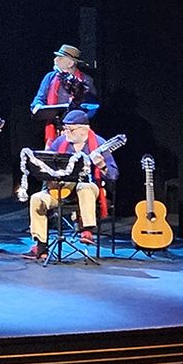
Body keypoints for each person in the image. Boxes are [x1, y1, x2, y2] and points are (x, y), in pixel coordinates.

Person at [27, 108, 118, 259]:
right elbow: (47, 166)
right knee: (37, 199)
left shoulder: (99, 144)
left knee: (84, 186)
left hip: (90, 189)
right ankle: (41, 246)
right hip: (62, 190)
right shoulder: (61, 142)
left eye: (70, 129)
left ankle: (87, 230)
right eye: (65, 128)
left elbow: (113, 175)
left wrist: (102, 165)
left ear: (84, 130)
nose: (65, 132)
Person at [31, 44, 100, 141]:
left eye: (60, 57)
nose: (55, 60)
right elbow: (39, 99)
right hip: (54, 129)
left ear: (70, 63)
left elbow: (92, 106)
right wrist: (38, 106)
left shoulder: (85, 80)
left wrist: (77, 122)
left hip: (77, 132)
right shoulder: (50, 77)